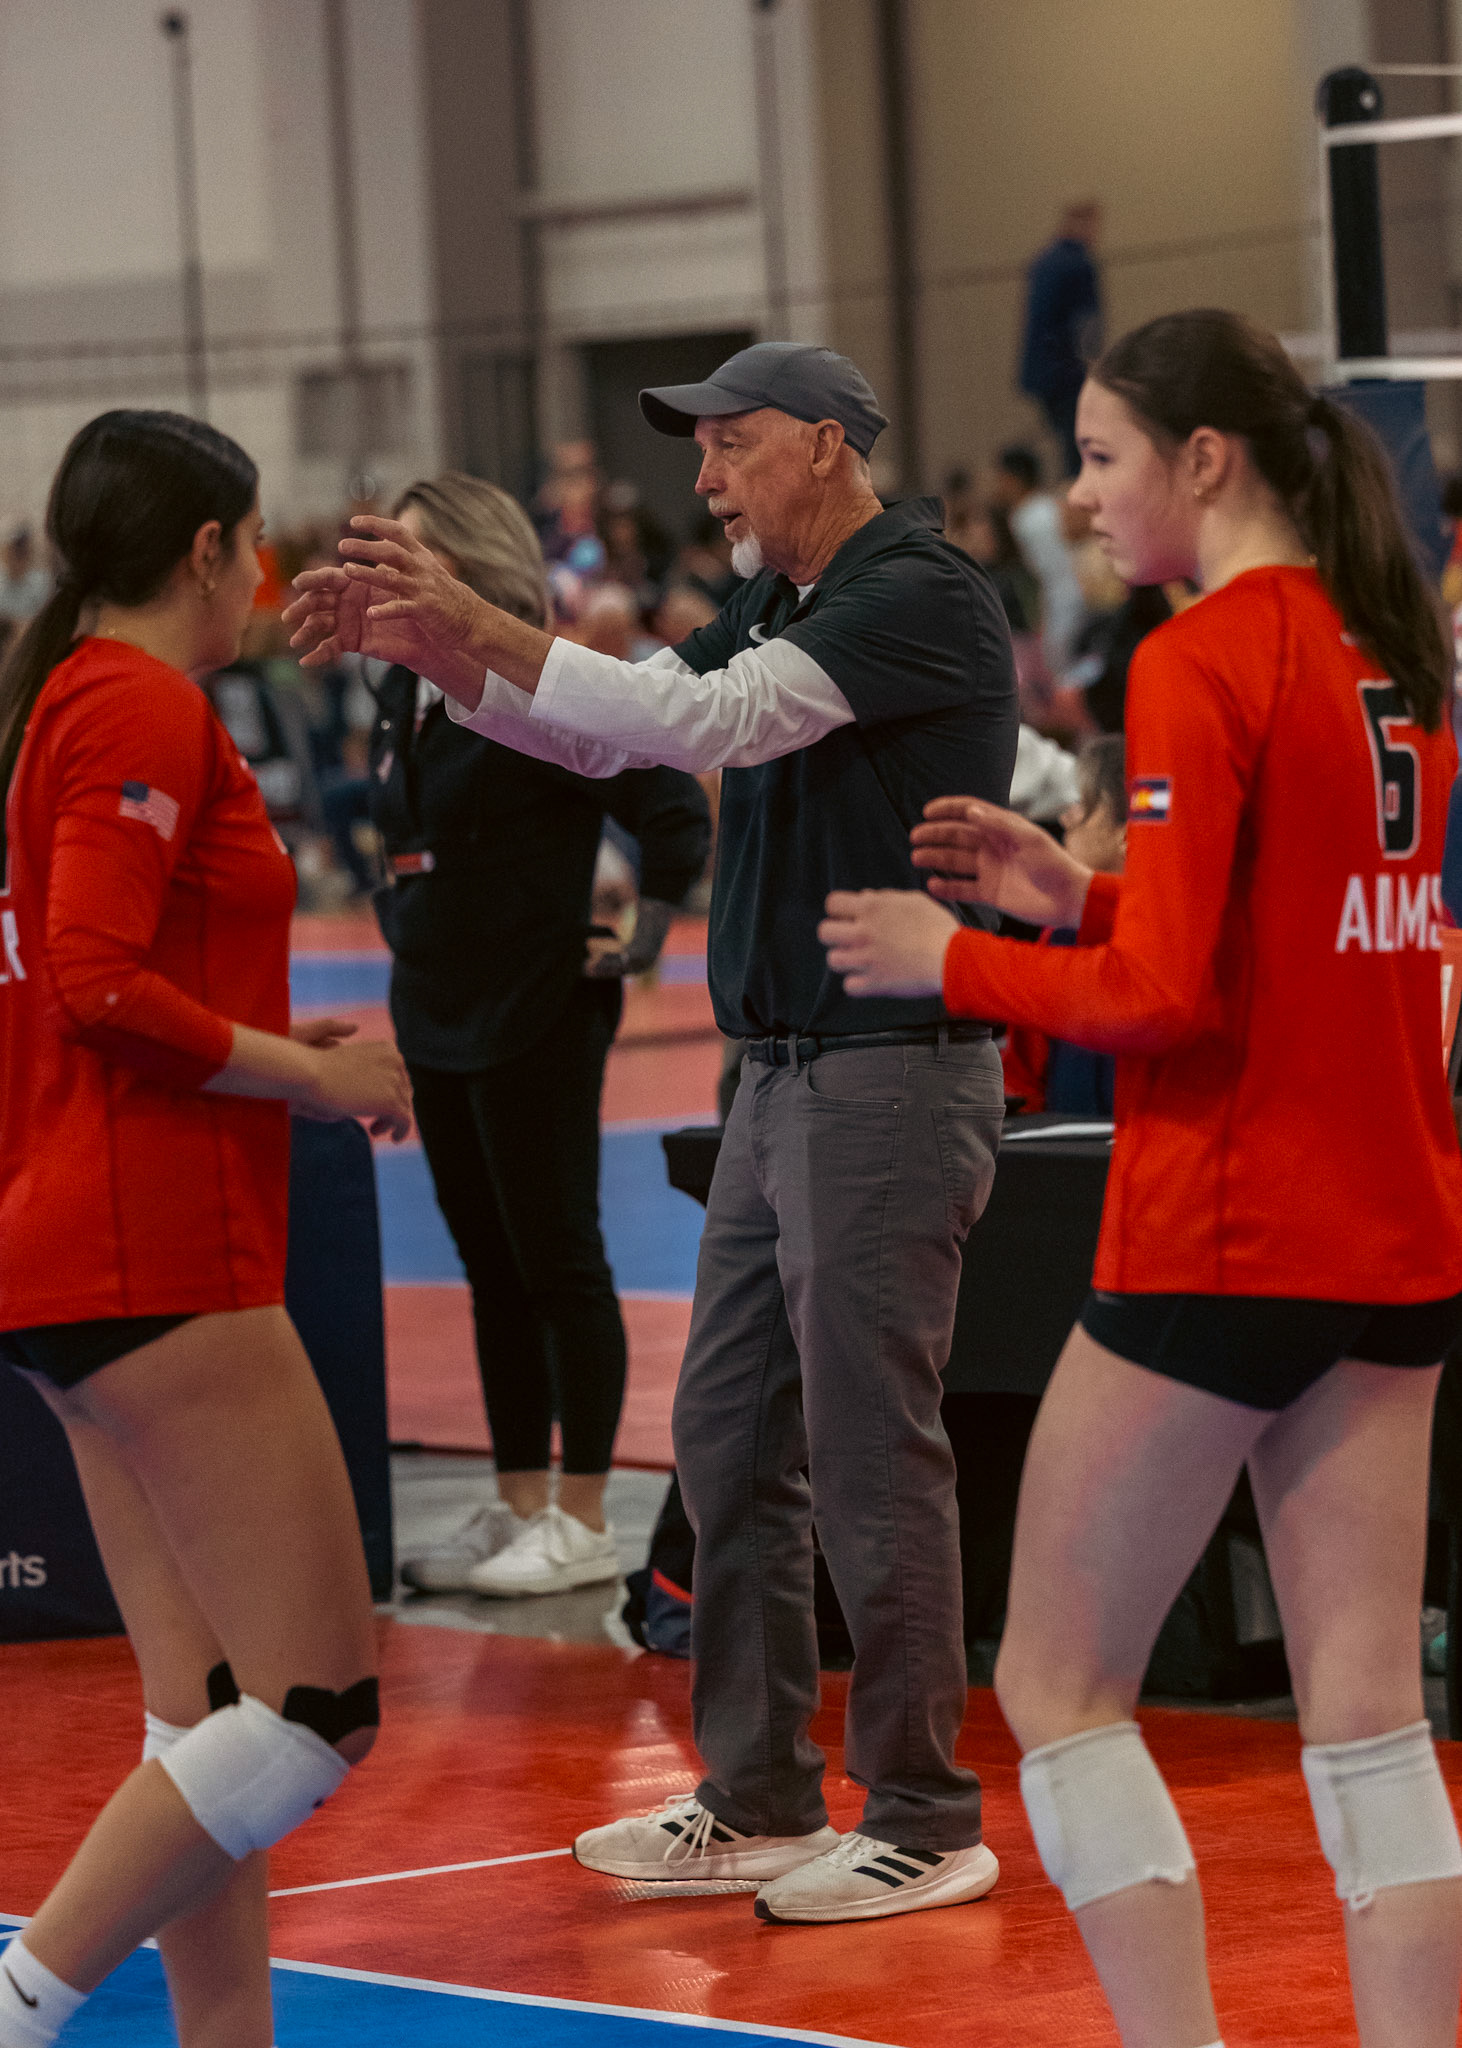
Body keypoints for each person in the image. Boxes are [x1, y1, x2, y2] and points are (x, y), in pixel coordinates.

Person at [285, 339, 1020, 1926]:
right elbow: (611, 733)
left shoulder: (914, 593)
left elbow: (706, 721)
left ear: (822, 446)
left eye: (730, 445)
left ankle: (920, 1813)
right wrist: (439, 649)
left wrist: (471, 618)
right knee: (727, 1438)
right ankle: (756, 1794)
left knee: (866, 1449)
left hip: (884, 1071)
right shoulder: (777, 600)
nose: (703, 478)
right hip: (779, 1074)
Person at [819, 307, 1462, 2046]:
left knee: (1052, 1680)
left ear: (1204, 459)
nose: (1082, 497)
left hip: (1231, 1234)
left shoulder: (1196, 655)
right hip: (1394, 1234)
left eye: (1102, 457)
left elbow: (1166, 1003)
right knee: (1369, 1722)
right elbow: (1285, 943)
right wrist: (1073, 890)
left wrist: (951, 959)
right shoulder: (1385, 649)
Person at [0, 411, 412, 2048]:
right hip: (152, 1247)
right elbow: (100, 984)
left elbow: (96, 975)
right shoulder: (136, 702)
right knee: (316, 1709)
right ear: (203, 550)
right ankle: (22, 1997)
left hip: (78, 1245)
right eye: (254, 548)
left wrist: (268, 1051)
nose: (263, 576)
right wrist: (315, 1076)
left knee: (207, 1716)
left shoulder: (58, 700)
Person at [368, 472, 710, 1598]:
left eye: (413, 550)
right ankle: (519, 1501)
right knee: (490, 1267)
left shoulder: (538, 680)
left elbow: (669, 806)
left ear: (469, 565)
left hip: (537, 1007)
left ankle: (585, 1515)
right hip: (435, 1004)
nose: (389, 568)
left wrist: (645, 933)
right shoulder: (401, 690)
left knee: (558, 1258)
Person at [1000, 734, 1125, 1116]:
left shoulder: (1183, 945)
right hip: (1059, 1149)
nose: (1065, 818)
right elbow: (1021, 1079)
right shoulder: (1059, 936)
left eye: (1083, 804)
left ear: (1126, 834)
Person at [1018, 200, 1103, 478]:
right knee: (1078, 446)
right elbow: (1086, 324)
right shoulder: (1078, 264)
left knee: (1065, 441)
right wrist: (1091, 363)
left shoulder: (1043, 261)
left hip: (1043, 373)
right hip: (1069, 372)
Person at [992, 446, 1087, 677]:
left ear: (1012, 480)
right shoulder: (1046, 505)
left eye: (1000, 479)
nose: (998, 487)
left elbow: (1053, 570)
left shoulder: (1027, 516)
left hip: (1066, 598)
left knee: (1065, 673)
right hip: (1071, 595)